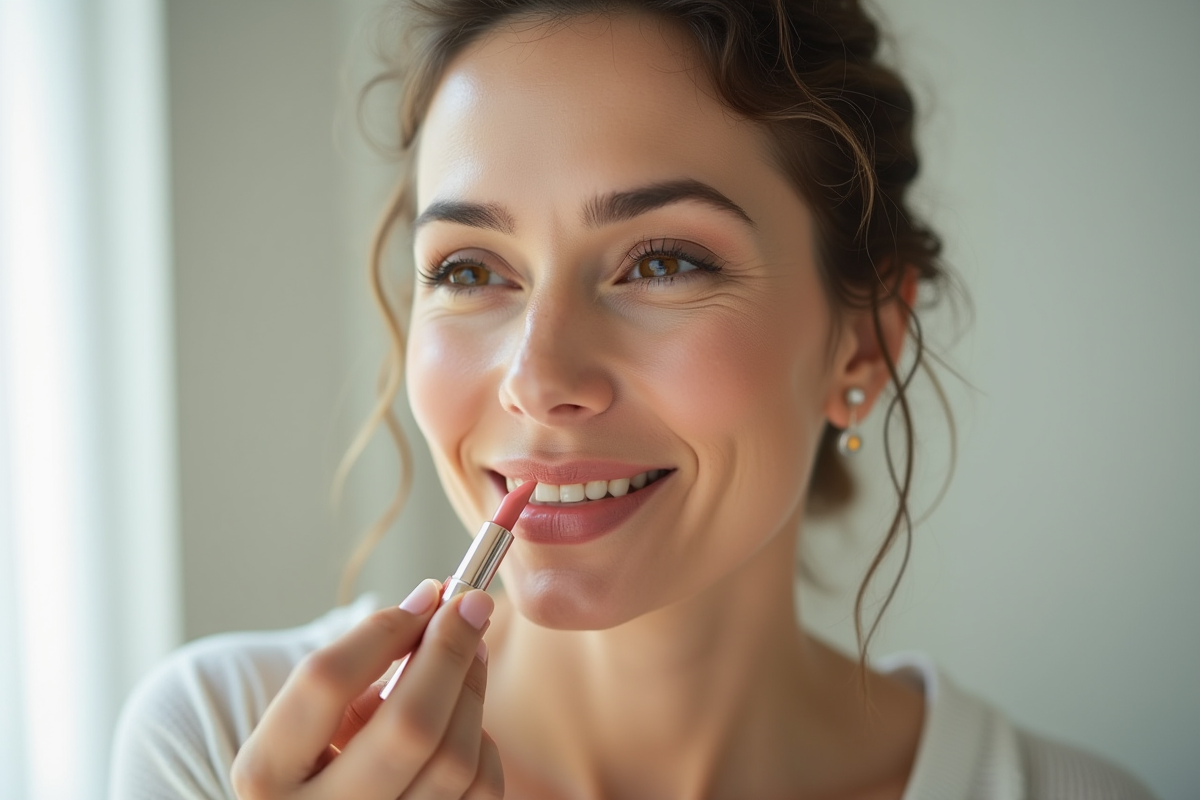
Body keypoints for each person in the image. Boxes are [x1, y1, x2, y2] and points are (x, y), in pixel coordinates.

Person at [110, 2, 1158, 798]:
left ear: (865, 340)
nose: (538, 376)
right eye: (471, 269)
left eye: (661, 261)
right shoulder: (217, 740)